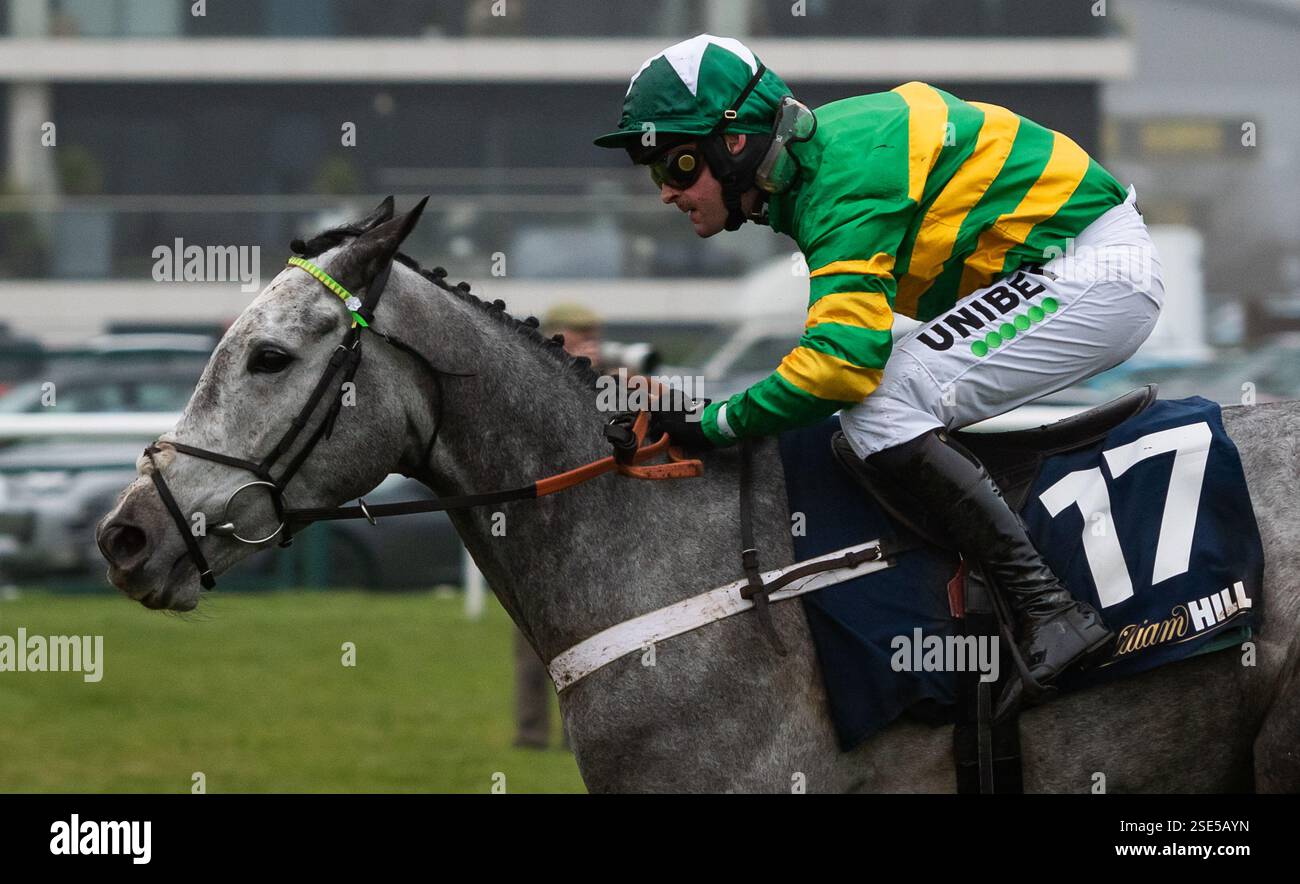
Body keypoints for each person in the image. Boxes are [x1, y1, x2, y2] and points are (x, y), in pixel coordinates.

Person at [593, 34, 1165, 715]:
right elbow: (834, 351)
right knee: (872, 403)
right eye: (653, 168)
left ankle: (1049, 608)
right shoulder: (817, 170)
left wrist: (717, 421)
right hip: (1060, 267)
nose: (665, 191)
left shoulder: (842, 176)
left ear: (736, 142)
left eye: (678, 164)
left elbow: (840, 367)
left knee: (880, 403)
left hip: (1095, 273)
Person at [512, 303, 602, 748]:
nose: (590, 341)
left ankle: (578, 732)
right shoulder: (533, 384)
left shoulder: (610, 379)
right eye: (579, 333)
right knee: (533, 646)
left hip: (598, 534)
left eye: (592, 333)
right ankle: (530, 732)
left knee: (595, 640)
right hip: (541, 537)